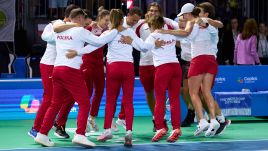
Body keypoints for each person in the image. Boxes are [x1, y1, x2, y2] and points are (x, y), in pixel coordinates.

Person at [34, 8, 119, 147]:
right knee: (85, 103)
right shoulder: (80, 31)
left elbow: (51, 32)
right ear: (79, 18)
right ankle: (80, 134)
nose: (86, 22)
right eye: (84, 19)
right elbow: (99, 42)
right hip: (71, 71)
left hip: (57, 69)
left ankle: (42, 134)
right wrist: (115, 30)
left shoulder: (59, 30)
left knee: (55, 104)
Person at [28, 4, 79, 139]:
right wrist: (62, 30)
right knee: (49, 98)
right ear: (70, 17)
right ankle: (35, 129)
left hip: (64, 67)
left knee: (70, 97)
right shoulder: (55, 24)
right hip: (49, 64)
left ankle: (59, 125)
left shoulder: (75, 28)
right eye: (77, 17)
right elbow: (45, 37)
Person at [145, 15, 183, 143]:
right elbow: (183, 33)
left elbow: (143, 49)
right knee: (174, 100)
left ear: (152, 26)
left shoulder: (153, 36)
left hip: (163, 69)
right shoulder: (171, 33)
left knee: (160, 99)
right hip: (176, 67)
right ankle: (176, 128)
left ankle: (160, 127)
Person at [82, 8, 110, 133]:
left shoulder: (107, 31)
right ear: (99, 19)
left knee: (99, 91)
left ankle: (91, 118)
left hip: (99, 64)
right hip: (87, 63)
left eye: (109, 21)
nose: (107, 23)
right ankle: (82, 120)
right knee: (87, 93)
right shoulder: (89, 29)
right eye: (106, 20)